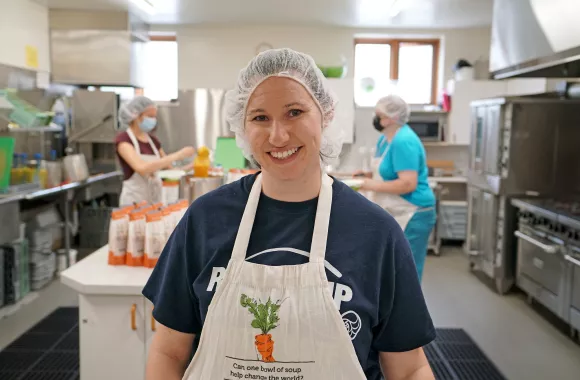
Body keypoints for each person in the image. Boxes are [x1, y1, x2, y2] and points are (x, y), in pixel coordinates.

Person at [142, 48, 436, 380]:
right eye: (259, 117)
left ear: (324, 115)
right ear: (242, 125)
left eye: (294, 112)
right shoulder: (205, 220)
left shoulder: (376, 233)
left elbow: (410, 368)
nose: (278, 135)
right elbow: (169, 351)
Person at [359, 95, 436, 282]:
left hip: (412, 212)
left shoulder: (404, 141)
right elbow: (386, 172)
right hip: (395, 210)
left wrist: (369, 185)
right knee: (391, 268)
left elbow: (408, 184)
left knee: (406, 270)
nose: (375, 118)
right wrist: (365, 175)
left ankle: (409, 311)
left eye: (379, 114)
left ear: (392, 117)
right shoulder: (385, 139)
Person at [115, 96, 195, 205]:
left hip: (154, 201)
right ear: (136, 116)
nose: (153, 120)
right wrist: (177, 155)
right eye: (150, 116)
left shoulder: (152, 140)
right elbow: (142, 168)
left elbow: (170, 170)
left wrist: (192, 167)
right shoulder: (124, 140)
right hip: (133, 202)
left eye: (154, 117)